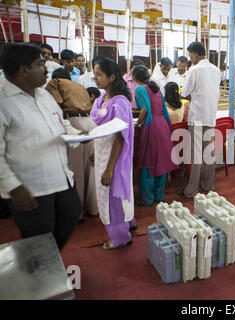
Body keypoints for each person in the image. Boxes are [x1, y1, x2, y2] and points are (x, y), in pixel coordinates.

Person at [0, 43, 84, 249]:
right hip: (30, 186)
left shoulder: (43, 94)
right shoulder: (4, 100)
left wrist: (78, 135)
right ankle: (40, 271)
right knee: (38, 235)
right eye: (40, 64)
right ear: (23, 69)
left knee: (72, 213)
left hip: (61, 177)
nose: (47, 68)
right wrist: (13, 186)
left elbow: (61, 122)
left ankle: (48, 262)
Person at [90, 58, 136, 250]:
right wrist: (94, 150)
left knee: (113, 197)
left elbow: (119, 138)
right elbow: (100, 130)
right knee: (110, 194)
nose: (95, 78)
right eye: (95, 73)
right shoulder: (101, 99)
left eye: (99, 74)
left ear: (111, 77)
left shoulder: (120, 103)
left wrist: (110, 168)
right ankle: (129, 223)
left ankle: (120, 238)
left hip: (115, 158)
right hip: (102, 153)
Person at [46, 68, 98, 222]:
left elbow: (56, 106)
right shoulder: (80, 86)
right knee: (91, 169)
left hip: (73, 123)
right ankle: (93, 209)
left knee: (76, 171)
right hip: (90, 123)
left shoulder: (54, 83)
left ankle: (78, 214)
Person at [178, 42, 221, 199]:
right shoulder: (217, 71)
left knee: (196, 156)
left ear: (195, 54)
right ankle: (208, 185)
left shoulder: (194, 70)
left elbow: (184, 92)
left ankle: (191, 190)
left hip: (196, 117)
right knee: (209, 154)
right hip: (210, 116)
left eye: (190, 56)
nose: (190, 59)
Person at [133, 68, 178, 206]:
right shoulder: (157, 89)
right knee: (161, 162)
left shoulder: (140, 89)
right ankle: (159, 195)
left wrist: (136, 124)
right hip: (163, 126)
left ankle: (147, 199)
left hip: (151, 127)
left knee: (148, 163)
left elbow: (144, 111)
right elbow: (163, 110)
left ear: (135, 78)